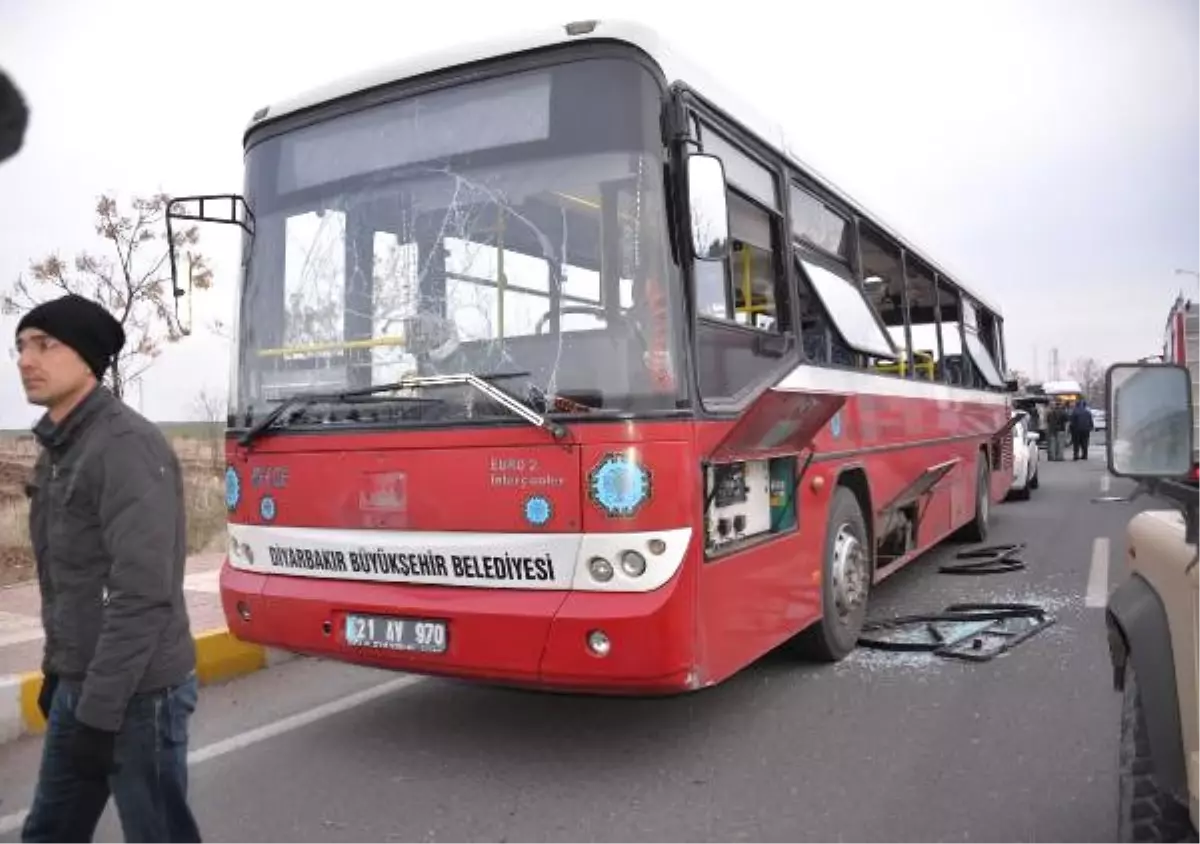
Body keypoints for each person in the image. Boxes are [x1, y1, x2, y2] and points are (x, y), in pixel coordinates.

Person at [15, 294, 201, 843]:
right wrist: (59, 668)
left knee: (158, 834)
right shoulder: (59, 449)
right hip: (83, 682)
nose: (26, 359)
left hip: (140, 693)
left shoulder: (125, 447)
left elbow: (140, 594)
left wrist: (98, 711)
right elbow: (68, 578)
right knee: (50, 831)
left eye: (45, 344)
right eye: (20, 346)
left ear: (89, 358)